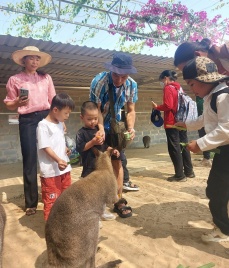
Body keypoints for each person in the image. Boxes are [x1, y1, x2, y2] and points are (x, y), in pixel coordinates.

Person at [176, 56, 229, 242]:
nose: (191, 89)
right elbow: (204, 120)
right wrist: (186, 124)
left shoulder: (223, 96)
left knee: (216, 191)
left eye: (191, 84)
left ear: (203, 80)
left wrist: (200, 144)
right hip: (223, 153)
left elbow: (226, 129)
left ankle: (223, 229)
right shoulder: (211, 96)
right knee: (217, 190)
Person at [3, 46, 56, 216]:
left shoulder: (46, 78)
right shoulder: (15, 79)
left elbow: (53, 100)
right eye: (31, 58)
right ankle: (31, 202)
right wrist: (17, 102)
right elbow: (9, 103)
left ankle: (52, 195)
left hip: (46, 117)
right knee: (30, 159)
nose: (34, 61)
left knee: (50, 156)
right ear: (23, 60)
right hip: (26, 120)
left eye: (37, 58)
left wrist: (58, 121)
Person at [90, 51, 138, 216]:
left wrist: (130, 128)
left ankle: (118, 199)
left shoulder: (132, 85)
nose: (119, 80)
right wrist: (101, 128)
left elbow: (131, 110)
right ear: (111, 70)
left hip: (118, 128)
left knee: (118, 161)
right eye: (116, 75)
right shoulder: (99, 82)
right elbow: (95, 110)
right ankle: (99, 201)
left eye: (123, 77)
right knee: (101, 164)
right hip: (100, 124)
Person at [76, 101, 120, 220]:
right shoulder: (81, 133)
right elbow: (80, 148)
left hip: (100, 169)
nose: (93, 122)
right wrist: (93, 142)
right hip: (89, 169)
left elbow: (104, 146)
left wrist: (112, 150)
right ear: (82, 117)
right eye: (89, 119)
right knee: (89, 193)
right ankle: (91, 216)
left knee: (101, 190)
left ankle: (102, 211)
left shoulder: (99, 132)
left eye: (95, 118)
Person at [37, 93, 75, 220]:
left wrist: (65, 150)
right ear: (55, 110)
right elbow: (45, 147)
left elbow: (57, 142)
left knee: (66, 197)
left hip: (64, 169)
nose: (67, 116)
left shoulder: (59, 124)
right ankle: (51, 229)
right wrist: (58, 159)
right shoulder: (43, 126)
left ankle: (64, 223)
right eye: (66, 113)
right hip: (51, 172)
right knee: (52, 200)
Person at [151, 70, 195, 182]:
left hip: (172, 122)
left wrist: (157, 107)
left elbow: (168, 105)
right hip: (182, 121)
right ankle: (189, 172)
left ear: (166, 78)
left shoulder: (168, 88)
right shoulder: (179, 88)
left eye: (162, 80)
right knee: (184, 145)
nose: (162, 83)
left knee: (174, 148)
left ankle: (179, 175)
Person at [195, 96, 212, 167]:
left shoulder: (205, 97)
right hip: (202, 119)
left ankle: (206, 158)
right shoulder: (201, 97)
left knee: (204, 137)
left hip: (204, 121)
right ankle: (207, 156)